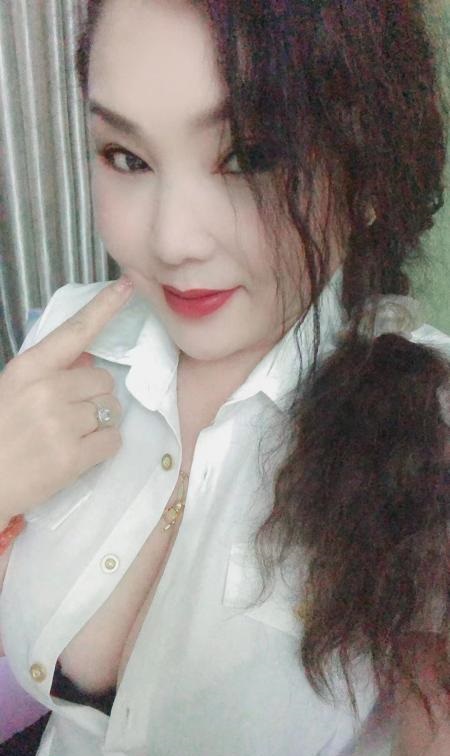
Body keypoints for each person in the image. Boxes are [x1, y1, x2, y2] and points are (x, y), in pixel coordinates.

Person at [0, 0, 449, 753]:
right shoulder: (66, 342)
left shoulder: (429, 432)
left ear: (368, 174)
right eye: (127, 157)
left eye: (250, 157)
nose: (173, 241)